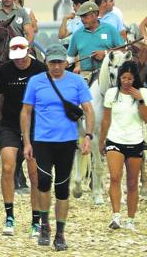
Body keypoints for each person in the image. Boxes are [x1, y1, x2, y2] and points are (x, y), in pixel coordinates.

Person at [22, 44, 94, 251]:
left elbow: (88, 110)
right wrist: (26, 141)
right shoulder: (36, 82)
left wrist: (88, 136)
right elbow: (26, 112)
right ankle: (44, 224)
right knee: (43, 181)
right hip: (42, 140)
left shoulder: (77, 81)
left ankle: (60, 233)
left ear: (66, 62)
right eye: (52, 62)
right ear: (46, 63)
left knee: (62, 188)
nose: (56, 66)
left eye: (59, 62)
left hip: (67, 141)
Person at [0, 36, 46, 237]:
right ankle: (9, 216)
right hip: (10, 125)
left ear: (28, 51)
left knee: (35, 174)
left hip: (35, 126)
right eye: (15, 58)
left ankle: (36, 220)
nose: (19, 61)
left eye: (22, 57)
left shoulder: (40, 69)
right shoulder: (4, 70)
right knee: (7, 166)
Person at [99, 61, 146, 231]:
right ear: (119, 78)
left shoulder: (143, 93)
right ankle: (116, 216)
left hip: (135, 141)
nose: (126, 82)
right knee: (114, 177)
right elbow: (106, 119)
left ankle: (131, 219)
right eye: (124, 78)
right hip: (115, 140)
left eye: (130, 78)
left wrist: (140, 100)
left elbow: (146, 119)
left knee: (133, 182)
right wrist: (101, 140)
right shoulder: (112, 93)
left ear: (135, 79)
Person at [68, 1, 124, 76]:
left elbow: (122, 50)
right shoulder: (77, 34)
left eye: (85, 16)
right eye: (81, 17)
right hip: (86, 74)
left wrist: (105, 53)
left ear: (95, 15)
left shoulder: (110, 29)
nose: (82, 19)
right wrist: (64, 63)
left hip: (109, 73)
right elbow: (70, 57)